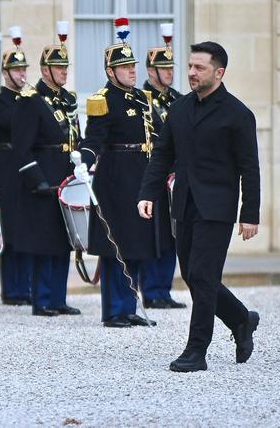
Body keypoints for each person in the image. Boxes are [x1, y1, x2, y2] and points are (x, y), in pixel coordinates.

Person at [138, 41, 261, 373]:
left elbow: (250, 167)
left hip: (218, 209)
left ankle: (196, 351)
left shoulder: (238, 115)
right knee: (194, 276)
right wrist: (147, 192)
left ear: (218, 73)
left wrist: (249, 214)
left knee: (204, 276)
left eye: (199, 68)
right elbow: (163, 154)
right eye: (190, 67)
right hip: (184, 204)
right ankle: (240, 319)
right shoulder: (179, 109)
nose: (191, 73)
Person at [78, 20, 165, 328]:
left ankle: (131, 307)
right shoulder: (103, 99)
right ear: (110, 71)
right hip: (116, 175)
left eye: (132, 65)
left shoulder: (143, 98)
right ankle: (114, 310)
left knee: (140, 243)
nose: (131, 70)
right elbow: (94, 138)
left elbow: (158, 134)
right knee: (118, 246)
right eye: (124, 66)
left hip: (141, 171)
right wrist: (84, 158)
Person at [11, 22, 82, 317]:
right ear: (44, 71)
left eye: (65, 66)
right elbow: (21, 147)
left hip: (66, 175)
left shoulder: (68, 99)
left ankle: (58, 297)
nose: (64, 71)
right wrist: (36, 179)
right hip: (43, 177)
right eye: (58, 67)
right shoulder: (31, 101)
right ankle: (41, 299)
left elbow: (76, 136)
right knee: (44, 239)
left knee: (64, 237)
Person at [138, 25, 186, 310]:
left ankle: (164, 288)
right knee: (154, 234)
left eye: (170, 67)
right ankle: (152, 290)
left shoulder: (178, 99)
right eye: (163, 68)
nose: (169, 72)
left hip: (176, 175)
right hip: (155, 172)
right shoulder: (141, 99)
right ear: (151, 71)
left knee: (172, 232)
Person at [0, 26, 33, 306]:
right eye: (16, 71)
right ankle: (12, 289)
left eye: (23, 69)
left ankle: (26, 286)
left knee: (27, 226)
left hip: (27, 162)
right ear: (6, 73)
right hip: (7, 164)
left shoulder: (29, 100)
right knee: (9, 227)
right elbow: (8, 125)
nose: (21, 75)